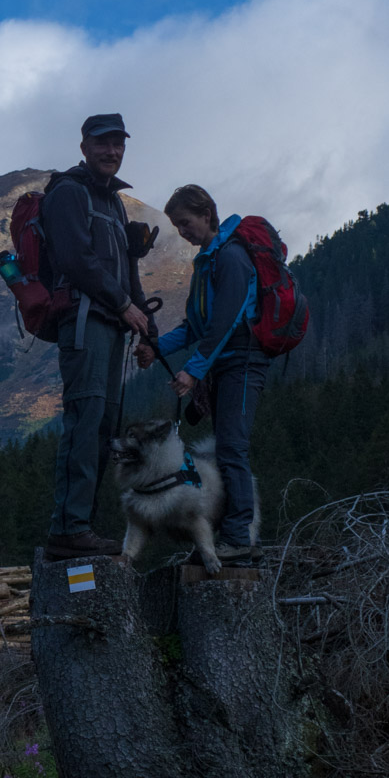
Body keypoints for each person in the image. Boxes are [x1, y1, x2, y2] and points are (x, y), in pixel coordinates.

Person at [135, 183, 268, 566]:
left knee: (231, 449)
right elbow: (195, 326)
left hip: (244, 360)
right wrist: (155, 347)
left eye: (186, 222)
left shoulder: (231, 258)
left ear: (207, 214)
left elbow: (224, 323)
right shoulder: (208, 262)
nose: (182, 231)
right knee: (227, 447)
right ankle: (231, 538)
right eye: (177, 226)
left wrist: (192, 372)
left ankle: (239, 538)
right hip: (226, 362)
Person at [41, 113, 150, 562]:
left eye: (118, 144)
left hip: (113, 327)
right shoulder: (69, 193)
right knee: (85, 422)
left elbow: (128, 270)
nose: (112, 151)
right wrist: (123, 304)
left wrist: (148, 330)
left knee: (103, 429)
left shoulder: (114, 204)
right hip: (86, 324)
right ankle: (68, 528)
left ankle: (80, 525)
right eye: (103, 143)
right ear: (84, 146)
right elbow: (76, 260)